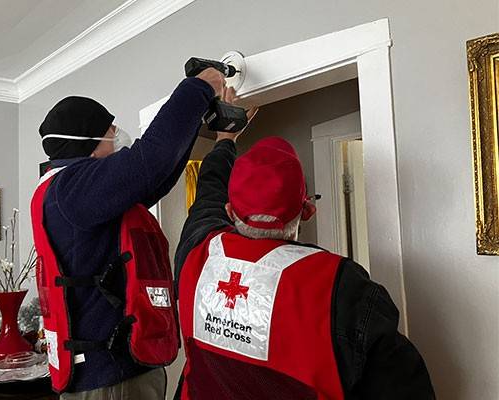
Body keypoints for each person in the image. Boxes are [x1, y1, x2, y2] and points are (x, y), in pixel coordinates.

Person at [174, 88, 435, 399]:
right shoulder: (344, 287)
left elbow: (209, 191)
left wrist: (225, 138)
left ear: (230, 211)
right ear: (308, 210)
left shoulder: (197, 251)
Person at [30, 68, 226, 399]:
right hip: (110, 380)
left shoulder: (65, 190)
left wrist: (210, 128)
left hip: (109, 373)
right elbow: (150, 159)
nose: (117, 134)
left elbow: (156, 177)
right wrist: (198, 87)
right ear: (89, 143)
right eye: (110, 129)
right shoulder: (74, 187)